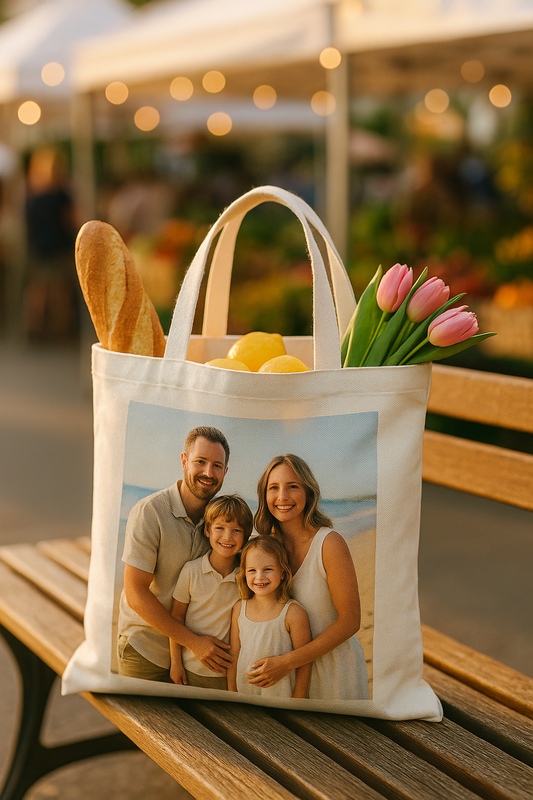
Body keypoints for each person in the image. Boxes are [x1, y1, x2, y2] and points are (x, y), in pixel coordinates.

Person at [249, 454, 370, 701]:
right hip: (285, 678)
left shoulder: (329, 543)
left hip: (333, 671)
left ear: (309, 493)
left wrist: (287, 662)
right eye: (274, 488)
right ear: (264, 496)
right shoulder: (266, 548)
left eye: (293, 486)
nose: (282, 497)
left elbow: (350, 622)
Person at [117, 426, 232, 681]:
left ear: (225, 472)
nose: (208, 472)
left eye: (216, 465)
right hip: (145, 646)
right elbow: (136, 594)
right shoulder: (150, 512)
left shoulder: (222, 525)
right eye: (200, 462)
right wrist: (194, 642)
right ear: (184, 461)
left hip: (193, 658)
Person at [169, 495, 253, 690]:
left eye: (236, 531)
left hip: (230, 674)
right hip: (191, 670)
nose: (227, 537)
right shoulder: (191, 571)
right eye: (220, 528)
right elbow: (176, 617)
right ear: (207, 530)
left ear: (246, 536)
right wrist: (176, 663)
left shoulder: (247, 576)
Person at [228, 536, 311, 698]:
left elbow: (304, 660)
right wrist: (232, 691)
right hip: (246, 695)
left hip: (282, 696)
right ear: (244, 573)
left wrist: (299, 695)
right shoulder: (239, 608)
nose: (259, 577)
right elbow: (235, 654)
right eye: (252, 570)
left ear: (283, 573)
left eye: (268, 569)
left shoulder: (293, 613)